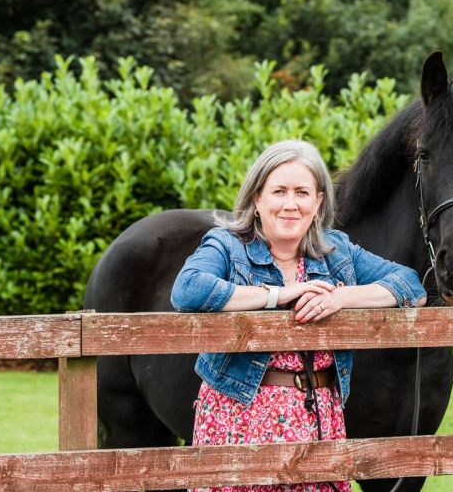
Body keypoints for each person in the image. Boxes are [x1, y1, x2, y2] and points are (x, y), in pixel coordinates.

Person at [171, 140, 427, 492]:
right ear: (257, 198)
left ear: (318, 201)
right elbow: (187, 290)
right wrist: (276, 295)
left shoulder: (336, 253)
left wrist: (342, 297)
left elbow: (411, 285)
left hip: (319, 419)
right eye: (279, 191)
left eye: (302, 193)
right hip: (239, 418)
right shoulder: (228, 245)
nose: (291, 204)